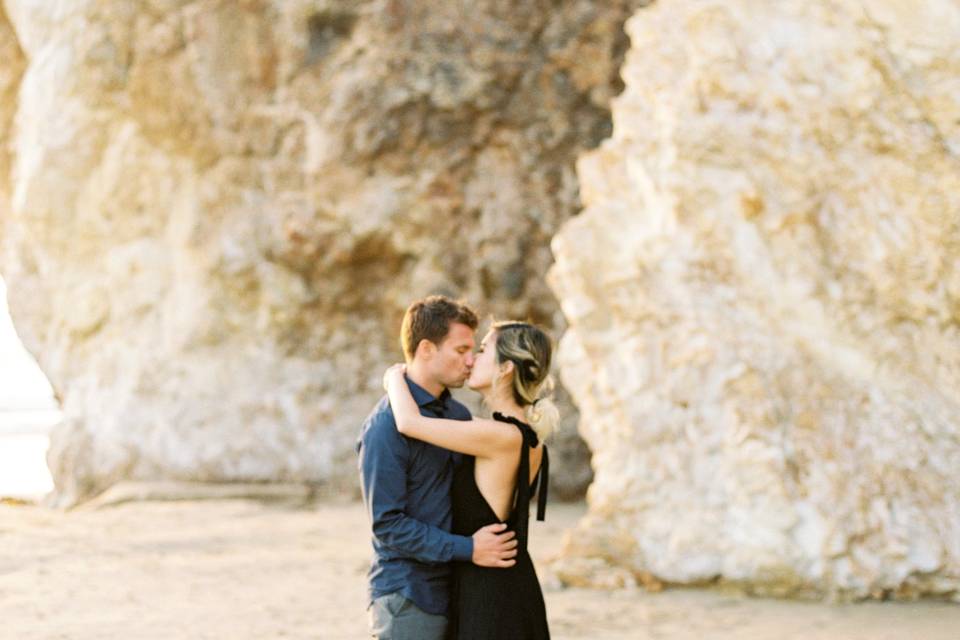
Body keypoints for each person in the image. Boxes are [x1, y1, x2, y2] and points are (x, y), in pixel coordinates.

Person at [358, 296, 519, 640]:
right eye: (460, 350)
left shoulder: (458, 416)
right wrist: (469, 548)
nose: (470, 360)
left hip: (459, 591)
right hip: (407, 596)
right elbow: (388, 525)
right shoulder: (384, 427)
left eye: (473, 350)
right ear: (427, 349)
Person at [383, 320, 556, 639]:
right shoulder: (526, 436)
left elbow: (408, 422)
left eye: (481, 349)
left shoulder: (498, 435)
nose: (472, 359)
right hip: (507, 584)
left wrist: (394, 376)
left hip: (490, 592)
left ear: (505, 368)